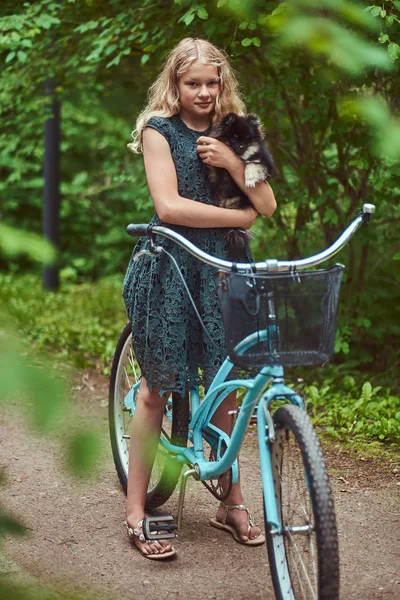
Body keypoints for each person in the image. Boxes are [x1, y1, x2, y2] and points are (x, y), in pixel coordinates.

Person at [123, 37, 277, 559]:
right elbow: (168, 207)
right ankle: (138, 512)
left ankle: (230, 502)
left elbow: (268, 203)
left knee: (228, 384)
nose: (205, 92)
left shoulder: (240, 131)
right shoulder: (157, 131)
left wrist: (235, 164)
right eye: (194, 83)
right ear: (176, 84)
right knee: (158, 386)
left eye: (212, 82)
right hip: (172, 266)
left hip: (227, 270)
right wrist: (239, 217)